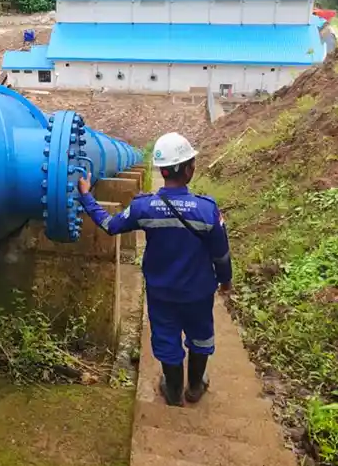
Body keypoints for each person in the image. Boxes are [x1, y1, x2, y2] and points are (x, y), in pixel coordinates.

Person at [77, 132, 232, 407]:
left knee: (166, 338)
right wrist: (225, 281)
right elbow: (221, 254)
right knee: (200, 336)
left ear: (161, 170)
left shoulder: (144, 207)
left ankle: (173, 392)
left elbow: (110, 225)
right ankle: (195, 388)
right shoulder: (207, 210)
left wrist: (87, 197)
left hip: (162, 293)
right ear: (189, 170)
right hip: (198, 292)